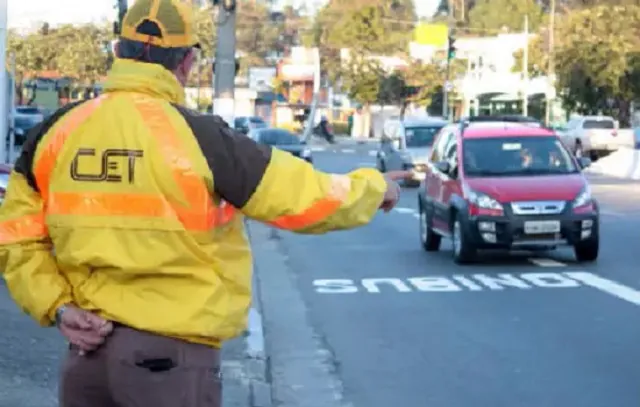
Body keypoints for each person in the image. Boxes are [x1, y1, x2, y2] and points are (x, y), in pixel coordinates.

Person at [0, 1, 411, 406]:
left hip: (86, 358)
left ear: (116, 52)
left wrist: (57, 307)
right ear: (187, 63)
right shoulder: (199, 137)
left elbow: (15, 241)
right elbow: (303, 197)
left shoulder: (53, 134)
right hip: (170, 364)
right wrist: (375, 189)